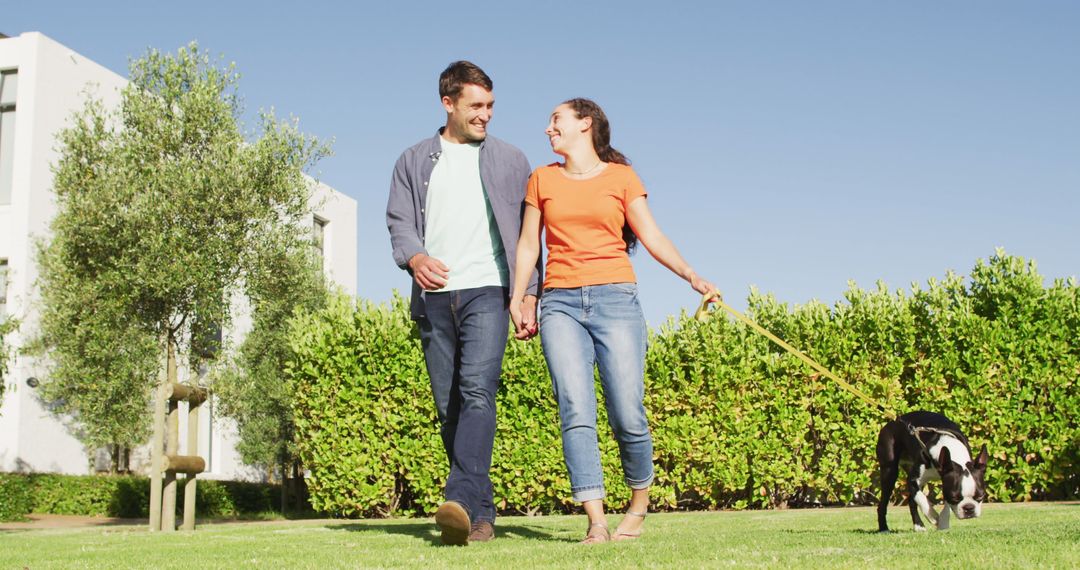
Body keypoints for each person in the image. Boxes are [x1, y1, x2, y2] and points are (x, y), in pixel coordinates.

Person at [509, 98, 717, 544]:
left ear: (586, 124)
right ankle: (596, 521)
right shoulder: (542, 179)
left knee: (627, 412)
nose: (548, 128)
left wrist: (691, 275)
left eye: (556, 120)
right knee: (575, 410)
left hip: (616, 299)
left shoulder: (621, 178)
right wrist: (519, 296)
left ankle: (639, 505)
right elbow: (529, 246)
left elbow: (652, 234)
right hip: (560, 302)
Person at [386, 61, 539, 545]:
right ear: (448, 103)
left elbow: (530, 235)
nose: (486, 115)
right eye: (476, 106)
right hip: (434, 296)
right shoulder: (412, 161)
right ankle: (479, 513)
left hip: (489, 290)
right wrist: (413, 256)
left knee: (477, 390)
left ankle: (456, 493)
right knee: (449, 405)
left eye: (491, 106)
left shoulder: (512, 160)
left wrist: (528, 292)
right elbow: (399, 221)